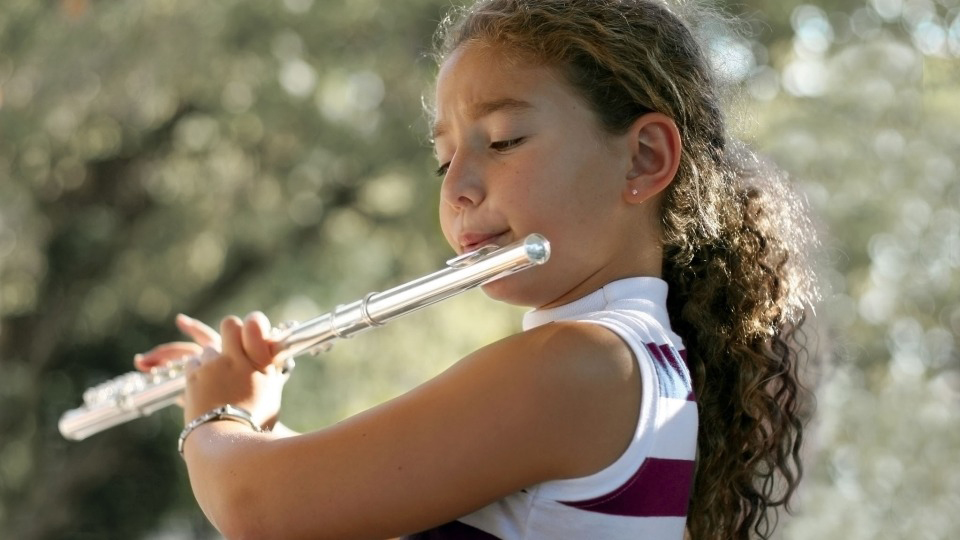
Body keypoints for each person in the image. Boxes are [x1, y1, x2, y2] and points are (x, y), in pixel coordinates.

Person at [135, 1, 820, 538]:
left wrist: (217, 415)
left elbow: (261, 506)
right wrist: (251, 418)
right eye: (444, 158)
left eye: (503, 141)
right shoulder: (636, 361)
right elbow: (345, 496)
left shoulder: (580, 365)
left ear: (644, 159)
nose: (457, 186)